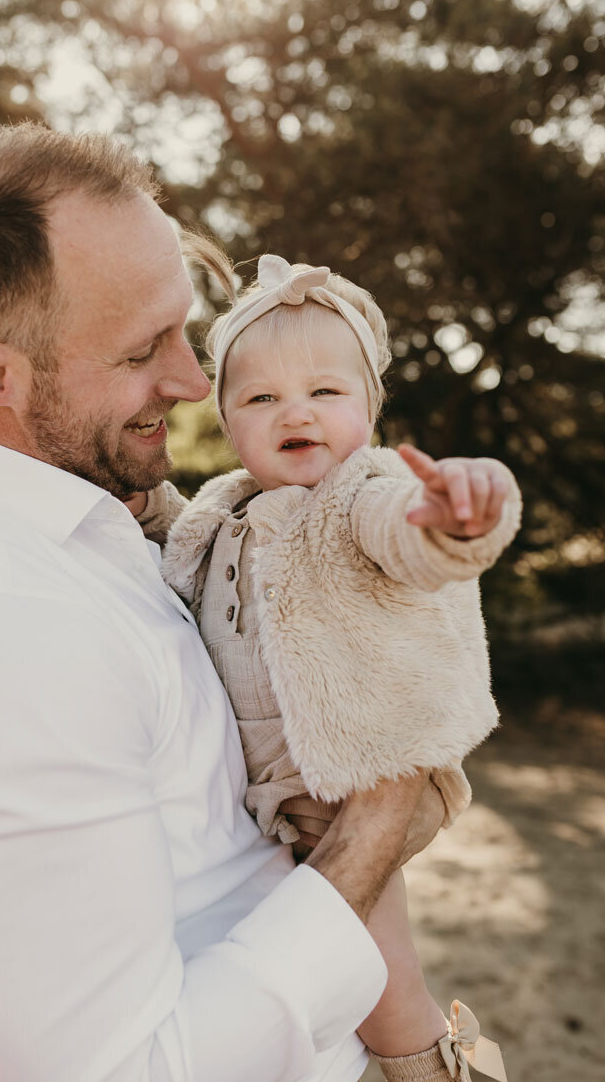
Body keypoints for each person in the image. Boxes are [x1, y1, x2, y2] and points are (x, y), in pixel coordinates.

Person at [0, 122, 453, 1082]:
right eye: (144, 348)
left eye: (186, 328)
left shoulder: (100, 521)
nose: (190, 381)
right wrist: (377, 822)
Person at [140, 254, 520, 1082]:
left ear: (372, 409)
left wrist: (450, 520)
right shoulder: (221, 509)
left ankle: (452, 1073)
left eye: (325, 391)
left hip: (348, 787)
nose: (295, 412)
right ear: (230, 423)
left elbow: (411, 541)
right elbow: (169, 553)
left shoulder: (361, 496)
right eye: (262, 398)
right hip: (263, 804)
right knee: (302, 990)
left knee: (385, 986)